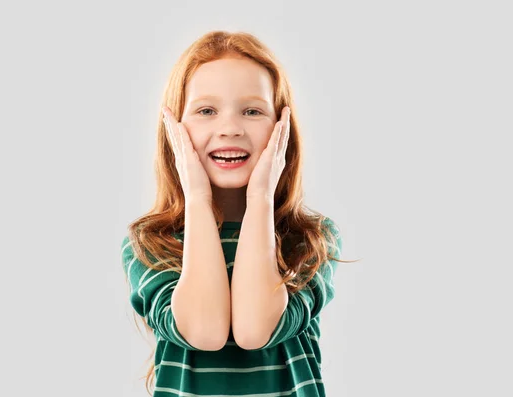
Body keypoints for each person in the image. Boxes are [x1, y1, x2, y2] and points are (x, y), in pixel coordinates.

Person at [120, 30, 351, 397]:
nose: (230, 129)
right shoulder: (151, 244)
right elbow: (204, 332)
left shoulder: (311, 239)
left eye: (252, 111)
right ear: (175, 129)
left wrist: (260, 198)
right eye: (206, 111)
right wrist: (196, 196)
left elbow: (255, 330)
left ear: (281, 128)